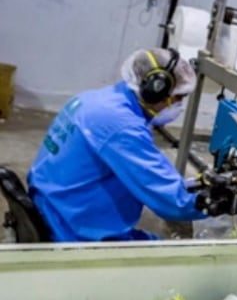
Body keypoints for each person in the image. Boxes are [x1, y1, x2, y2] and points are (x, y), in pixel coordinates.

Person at [28, 48, 225, 241]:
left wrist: (196, 185)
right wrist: (221, 201)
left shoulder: (96, 100)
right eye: (178, 97)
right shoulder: (122, 126)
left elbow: (157, 177)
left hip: (50, 206)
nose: (178, 106)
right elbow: (173, 202)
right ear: (154, 91)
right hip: (70, 231)